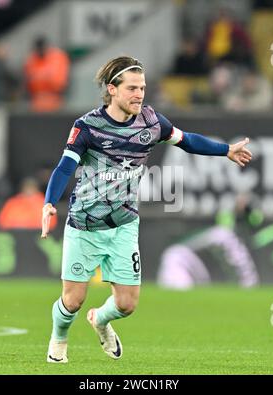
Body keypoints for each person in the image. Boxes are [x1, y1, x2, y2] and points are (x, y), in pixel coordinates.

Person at [41, 56, 252, 363]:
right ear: (112, 89)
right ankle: (59, 339)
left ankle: (100, 319)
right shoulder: (87, 127)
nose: (139, 94)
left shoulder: (152, 122)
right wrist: (49, 202)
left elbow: (187, 140)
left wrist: (225, 150)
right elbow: (64, 169)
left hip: (124, 224)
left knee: (126, 305)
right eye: (132, 88)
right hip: (84, 225)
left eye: (142, 88)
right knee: (72, 301)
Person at [24, 36, 70, 112]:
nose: (40, 52)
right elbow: (28, 83)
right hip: (36, 104)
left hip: (56, 103)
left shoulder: (58, 57)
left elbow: (59, 83)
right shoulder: (31, 60)